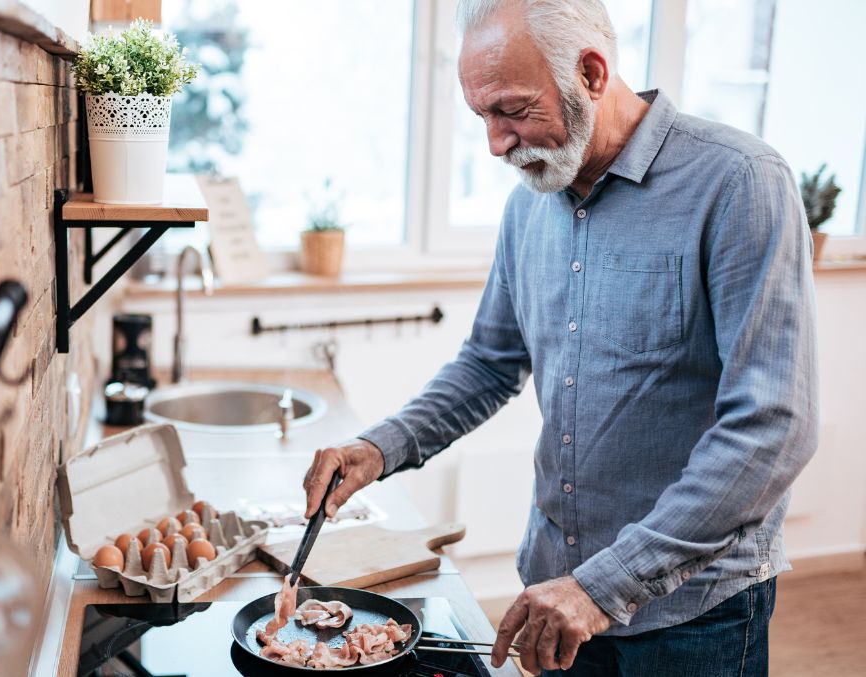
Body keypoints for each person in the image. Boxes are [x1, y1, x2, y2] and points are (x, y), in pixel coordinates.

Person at [301, 0, 818, 674]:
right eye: (482, 117)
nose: (495, 142)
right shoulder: (528, 205)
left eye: (512, 111)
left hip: (691, 614)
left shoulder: (739, 182)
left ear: (593, 72)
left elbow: (773, 425)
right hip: (554, 591)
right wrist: (377, 448)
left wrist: (604, 585)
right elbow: (489, 364)